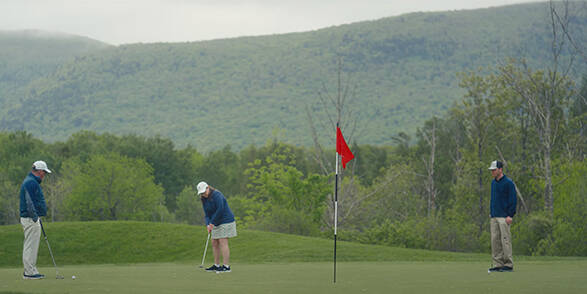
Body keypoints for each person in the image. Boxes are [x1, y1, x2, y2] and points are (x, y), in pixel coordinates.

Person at [19, 160, 52, 280]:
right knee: (30, 245)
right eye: (44, 172)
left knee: (31, 244)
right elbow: (29, 202)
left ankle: (31, 270)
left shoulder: (31, 181)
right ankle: (29, 272)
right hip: (30, 218)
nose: (44, 175)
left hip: (31, 217)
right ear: (39, 171)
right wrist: (35, 217)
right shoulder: (31, 183)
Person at [198, 181, 237, 273]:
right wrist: (208, 224)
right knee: (214, 242)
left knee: (223, 241)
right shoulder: (203, 199)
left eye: (204, 192)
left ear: (208, 188)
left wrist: (212, 222)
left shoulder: (217, 195)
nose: (203, 194)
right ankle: (216, 265)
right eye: (202, 193)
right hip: (215, 222)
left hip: (225, 220)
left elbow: (220, 209)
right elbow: (207, 214)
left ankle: (226, 266)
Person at [487, 160, 517, 273]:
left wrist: (510, 215)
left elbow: (513, 200)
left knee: (505, 241)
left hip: (505, 217)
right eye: (492, 170)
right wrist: (491, 212)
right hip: (494, 216)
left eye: (494, 170)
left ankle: (508, 264)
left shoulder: (508, 183)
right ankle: (497, 264)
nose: (492, 172)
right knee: (495, 241)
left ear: (500, 169)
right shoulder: (493, 183)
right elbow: (493, 199)